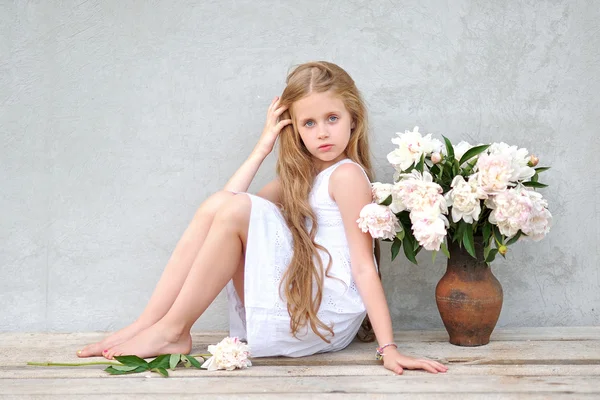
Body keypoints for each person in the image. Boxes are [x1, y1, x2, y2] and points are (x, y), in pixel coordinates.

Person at [76, 61, 447, 375]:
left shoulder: (347, 176)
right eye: (309, 123)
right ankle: (151, 324)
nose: (322, 132)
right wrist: (263, 145)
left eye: (332, 118)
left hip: (325, 317)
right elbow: (223, 207)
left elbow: (365, 268)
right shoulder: (303, 178)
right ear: (295, 129)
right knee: (219, 206)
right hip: (301, 299)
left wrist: (389, 348)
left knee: (234, 209)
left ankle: (172, 329)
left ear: (353, 120)